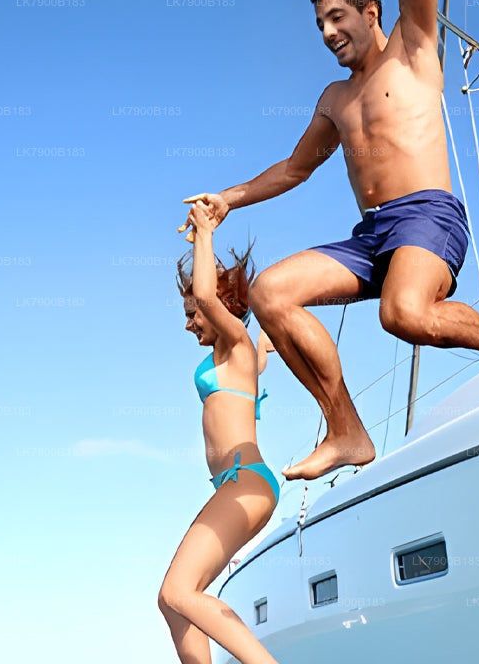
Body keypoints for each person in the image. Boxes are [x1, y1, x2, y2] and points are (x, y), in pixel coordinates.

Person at [179, 0, 479, 482]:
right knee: (271, 291)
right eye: (319, 24)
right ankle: (345, 430)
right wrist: (227, 198)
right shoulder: (335, 99)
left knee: (401, 314)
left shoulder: (413, 47)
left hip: (427, 215)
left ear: (372, 11)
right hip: (372, 236)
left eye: (336, 17)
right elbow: (295, 169)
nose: (327, 32)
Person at [158, 200, 281, 664]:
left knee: (180, 591)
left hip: (247, 480)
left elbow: (209, 296)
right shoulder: (245, 358)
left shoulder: (236, 346)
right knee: (171, 603)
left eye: (193, 313)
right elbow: (264, 354)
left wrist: (204, 233)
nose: (188, 322)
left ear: (222, 309)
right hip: (233, 485)